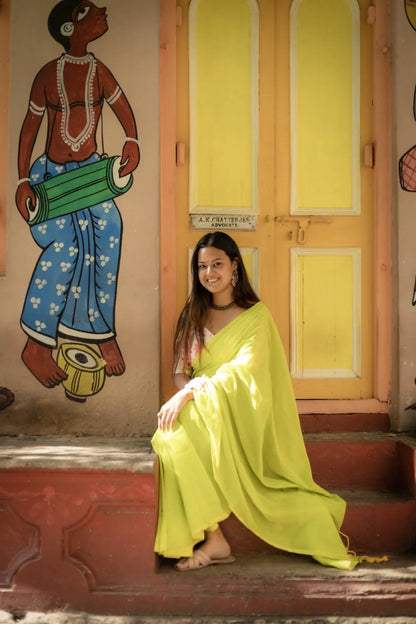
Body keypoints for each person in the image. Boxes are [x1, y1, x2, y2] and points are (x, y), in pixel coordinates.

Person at [152, 232, 360, 572]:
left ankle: (215, 540)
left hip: (238, 410)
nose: (209, 273)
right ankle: (214, 537)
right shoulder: (193, 313)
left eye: (217, 264)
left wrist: (191, 393)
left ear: (234, 266)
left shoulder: (256, 316)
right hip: (202, 403)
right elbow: (180, 370)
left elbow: (245, 372)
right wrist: (185, 392)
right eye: (202, 266)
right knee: (170, 436)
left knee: (180, 430)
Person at [15, 0, 140, 388]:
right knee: (65, 246)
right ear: (70, 28)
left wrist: (132, 139)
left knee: (108, 233)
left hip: (89, 176)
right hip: (51, 180)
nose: (102, 10)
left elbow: (122, 107)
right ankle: (36, 343)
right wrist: (22, 182)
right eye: (88, 10)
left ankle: (98, 334)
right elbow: (30, 127)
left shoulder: (98, 72)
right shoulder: (47, 75)